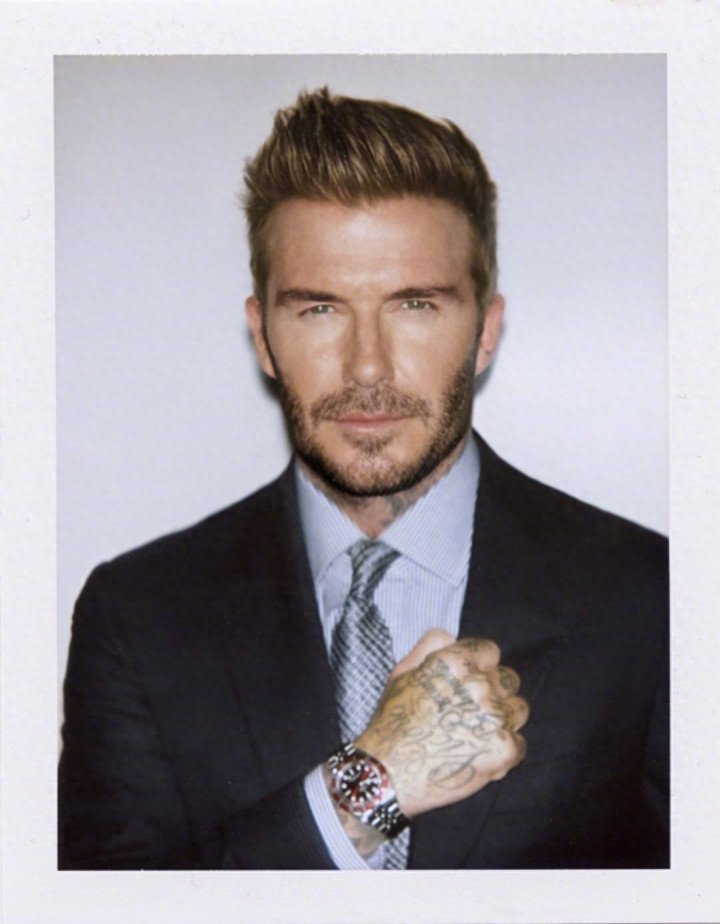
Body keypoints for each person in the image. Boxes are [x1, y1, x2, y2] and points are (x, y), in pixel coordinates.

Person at [58, 87, 669, 870]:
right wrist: (367, 789)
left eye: (415, 304)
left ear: (485, 331)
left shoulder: (650, 597)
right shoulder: (136, 617)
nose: (368, 367)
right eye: (319, 309)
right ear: (263, 337)